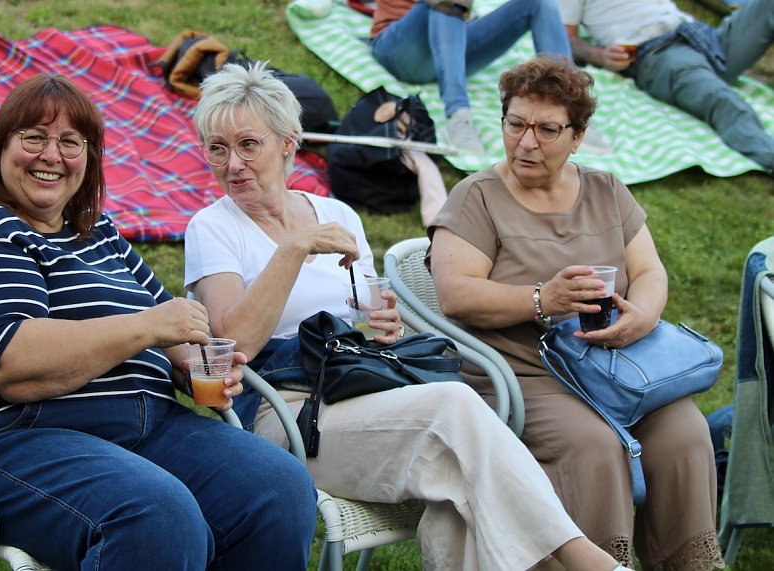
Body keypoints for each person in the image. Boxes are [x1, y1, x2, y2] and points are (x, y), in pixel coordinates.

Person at [184, 60, 633, 571]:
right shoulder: (212, 227)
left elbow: (366, 313)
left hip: (359, 389)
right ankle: (590, 561)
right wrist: (294, 249)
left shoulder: (336, 215)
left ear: (288, 143)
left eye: (248, 145)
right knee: (453, 406)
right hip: (285, 414)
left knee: (454, 495)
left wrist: (386, 328)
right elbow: (231, 341)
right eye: (217, 149)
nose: (233, 164)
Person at [0, 74, 317, 571]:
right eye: (34, 138)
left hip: (145, 427)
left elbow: (174, 336)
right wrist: (146, 328)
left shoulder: (100, 234)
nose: (52, 155)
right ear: (1, 148)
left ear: (90, 157)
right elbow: (7, 362)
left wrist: (198, 366)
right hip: (6, 440)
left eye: (70, 142)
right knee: (154, 513)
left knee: (276, 485)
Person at [427, 56, 724, 569]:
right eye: (516, 124)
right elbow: (456, 294)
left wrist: (644, 316)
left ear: (577, 136)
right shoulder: (477, 198)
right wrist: (543, 300)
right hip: (525, 374)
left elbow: (651, 272)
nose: (526, 142)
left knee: (686, 434)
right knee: (593, 445)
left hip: (618, 371)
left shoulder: (607, 191)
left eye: (546, 129)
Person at [559, 0, 774, 175]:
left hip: (701, 37)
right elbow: (564, 38)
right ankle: (768, 154)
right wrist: (600, 56)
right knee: (724, 102)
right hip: (658, 52)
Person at [370, 0, 573, 154]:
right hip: (399, 49)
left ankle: (568, 108)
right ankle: (458, 115)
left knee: (539, 3)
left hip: (452, 46)